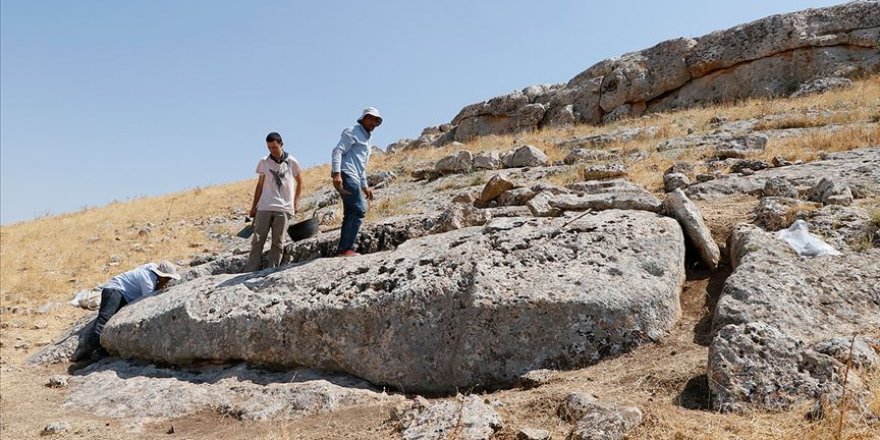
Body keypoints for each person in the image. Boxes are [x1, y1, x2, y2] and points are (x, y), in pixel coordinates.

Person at [73, 261, 181, 361]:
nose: (168, 281)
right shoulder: (148, 279)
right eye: (167, 278)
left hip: (120, 293)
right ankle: (87, 350)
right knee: (104, 320)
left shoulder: (150, 268)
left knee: (109, 319)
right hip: (114, 291)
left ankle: (95, 349)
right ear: (161, 275)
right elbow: (148, 300)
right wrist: (159, 286)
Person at [245, 132, 303, 271]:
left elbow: (300, 182)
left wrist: (296, 202)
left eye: (274, 147)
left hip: (284, 208)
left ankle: (272, 270)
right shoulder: (264, 161)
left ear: (281, 144)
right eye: (269, 148)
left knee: (278, 242)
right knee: (258, 240)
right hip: (265, 206)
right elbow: (260, 185)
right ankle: (250, 270)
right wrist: (254, 207)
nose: (272, 150)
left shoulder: (292, 161)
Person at [331, 107, 382, 256]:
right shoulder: (352, 131)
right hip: (346, 173)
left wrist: (365, 187)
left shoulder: (367, 138)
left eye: (375, 120)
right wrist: (336, 173)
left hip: (354, 174)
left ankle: (344, 249)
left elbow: (361, 165)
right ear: (364, 118)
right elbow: (337, 151)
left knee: (351, 212)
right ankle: (345, 249)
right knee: (359, 209)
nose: (373, 122)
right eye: (370, 118)